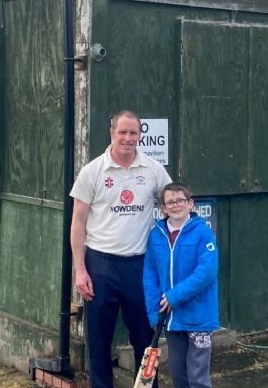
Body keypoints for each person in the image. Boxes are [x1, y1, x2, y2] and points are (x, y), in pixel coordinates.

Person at [70, 110, 172, 388]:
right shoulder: (92, 171)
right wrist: (80, 270)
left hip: (139, 266)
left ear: (140, 135)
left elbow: (171, 202)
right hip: (100, 265)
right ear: (112, 134)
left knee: (144, 338)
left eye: (133, 133)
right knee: (99, 342)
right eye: (122, 132)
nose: (128, 138)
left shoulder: (152, 169)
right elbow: (78, 223)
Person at [143, 182, 219, 388]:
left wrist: (174, 296)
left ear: (190, 204)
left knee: (198, 378)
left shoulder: (203, 233)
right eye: (170, 202)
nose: (176, 205)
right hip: (171, 319)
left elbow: (207, 272)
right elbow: (150, 276)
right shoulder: (156, 235)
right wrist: (154, 313)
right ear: (164, 209)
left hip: (199, 317)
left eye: (181, 200)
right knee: (179, 376)